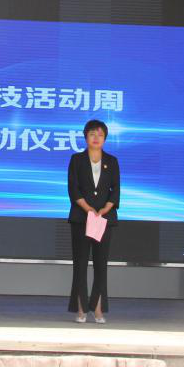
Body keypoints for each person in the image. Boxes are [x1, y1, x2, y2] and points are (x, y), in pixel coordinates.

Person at [67, 119, 120, 324]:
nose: (96, 138)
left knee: (101, 265)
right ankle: (81, 309)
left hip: (104, 219)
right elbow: (73, 188)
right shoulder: (76, 160)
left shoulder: (112, 161)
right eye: (92, 134)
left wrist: (105, 209)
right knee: (80, 264)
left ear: (105, 138)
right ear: (85, 137)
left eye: (100, 134)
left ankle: (98, 309)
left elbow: (115, 189)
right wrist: (88, 209)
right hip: (82, 218)